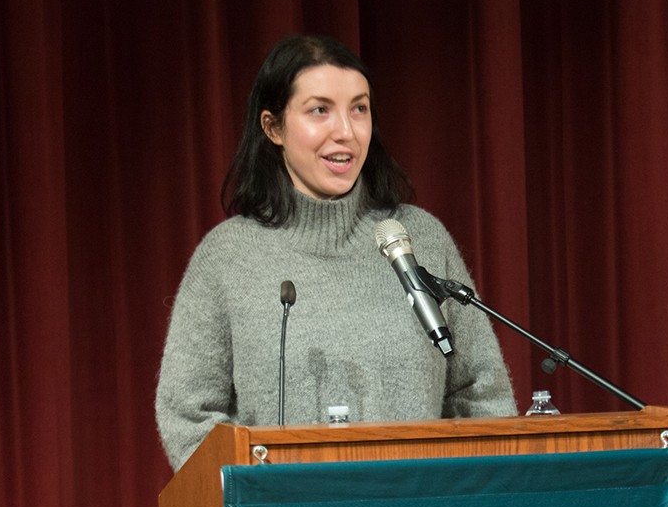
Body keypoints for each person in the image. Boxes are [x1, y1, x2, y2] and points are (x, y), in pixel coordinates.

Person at [155, 34, 516, 471]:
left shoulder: (416, 239)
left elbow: (482, 393)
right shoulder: (227, 258)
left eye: (359, 109)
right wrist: (259, 506)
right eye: (319, 110)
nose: (345, 131)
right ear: (273, 128)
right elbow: (188, 416)